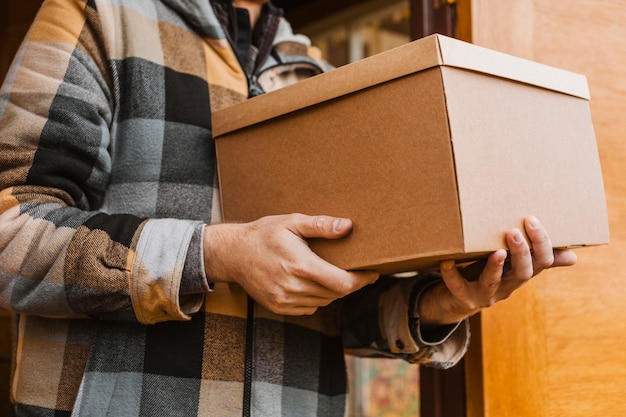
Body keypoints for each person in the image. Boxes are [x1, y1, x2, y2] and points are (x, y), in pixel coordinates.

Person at [0, 0, 577, 416]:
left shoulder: (319, 73)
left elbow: (335, 299)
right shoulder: (97, 14)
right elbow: (9, 233)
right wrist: (213, 253)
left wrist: (438, 303)